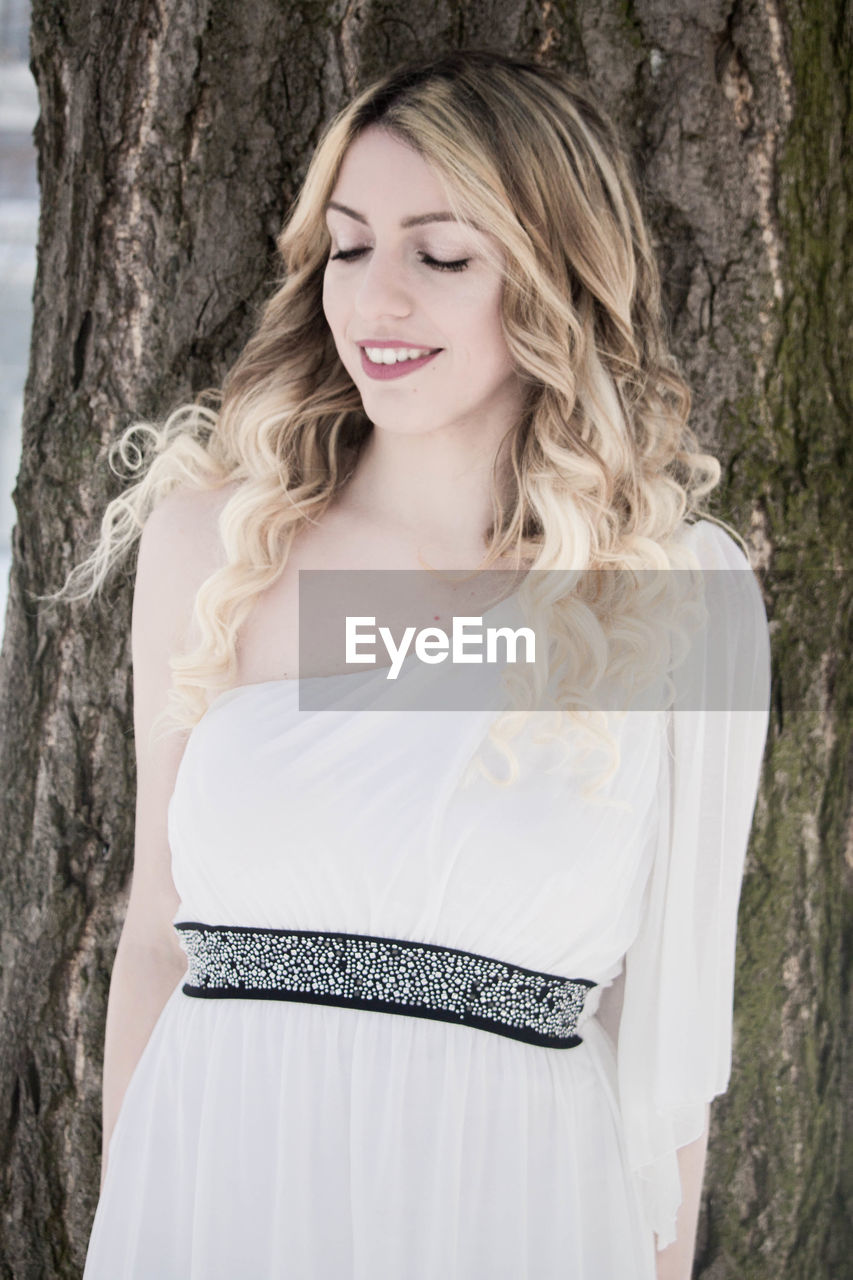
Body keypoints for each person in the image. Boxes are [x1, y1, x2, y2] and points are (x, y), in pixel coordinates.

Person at [66, 48, 770, 1279]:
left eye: (439, 256)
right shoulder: (220, 544)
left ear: (552, 281)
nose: (372, 299)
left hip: (516, 1202)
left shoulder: (674, 594)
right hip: (226, 1184)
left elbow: (665, 1047)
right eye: (347, 245)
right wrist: (132, 1222)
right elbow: (156, 937)